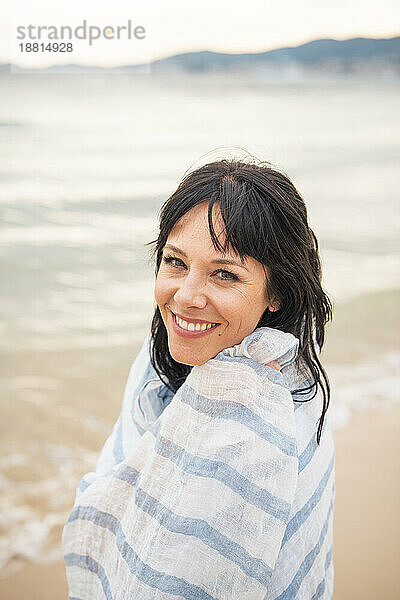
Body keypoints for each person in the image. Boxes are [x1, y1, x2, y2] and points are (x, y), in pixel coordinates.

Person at [63, 158, 335, 599]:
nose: (186, 297)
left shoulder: (263, 417)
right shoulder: (158, 363)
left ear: (277, 293)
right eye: (175, 262)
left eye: (224, 274)